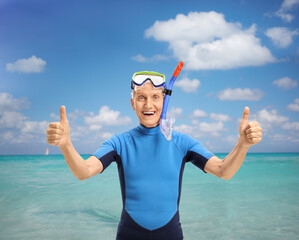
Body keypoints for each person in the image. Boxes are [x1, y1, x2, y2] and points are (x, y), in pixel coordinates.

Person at [47, 71, 262, 240]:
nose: (148, 105)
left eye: (155, 97)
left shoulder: (182, 142)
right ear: (132, 103)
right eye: (141, 97)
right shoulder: (119, 142)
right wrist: (65, 145)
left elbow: (224, 170)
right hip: (128, 235)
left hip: (171, 235)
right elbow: (83, 171)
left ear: (164, 101)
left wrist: (242, 145)